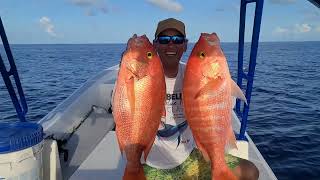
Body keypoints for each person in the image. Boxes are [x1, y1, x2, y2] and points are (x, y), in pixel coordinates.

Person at [141, 18, 259, 180]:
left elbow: (222, 106)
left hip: (190, 155)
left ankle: (218, 169)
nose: (171, 45)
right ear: (155, 45)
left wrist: (221, 84)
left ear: (185, 45)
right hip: (153, 162)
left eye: (177, 40)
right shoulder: (143, 78)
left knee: (249, 172)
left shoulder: (191, 72)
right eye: (164, 40)